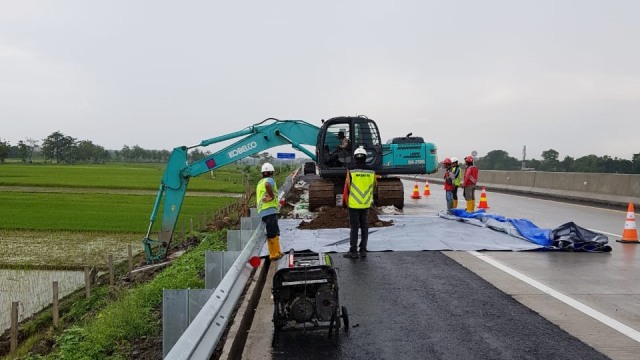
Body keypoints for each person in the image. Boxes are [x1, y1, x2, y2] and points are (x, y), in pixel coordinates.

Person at [343, 146, 376, 259]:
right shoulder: (371, 172)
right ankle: (363, 250)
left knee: (354, 227)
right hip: (366, 204)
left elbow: (346, 187)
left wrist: (344, 203)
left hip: (353, 204)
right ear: (365, 157)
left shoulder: (351, 170)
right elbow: (374, 187)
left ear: (355, 157)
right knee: (364, 226)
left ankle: (353, 251)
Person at [256, 162, 283, 260]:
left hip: (264, 210)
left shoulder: (260, 182)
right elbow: (268, 185)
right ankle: (274, 254)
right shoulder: (269, 180)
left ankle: (278, 251)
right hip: (269, 210)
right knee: (272, 232)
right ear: (271, 172)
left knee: (275, 231)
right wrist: (271, 196)